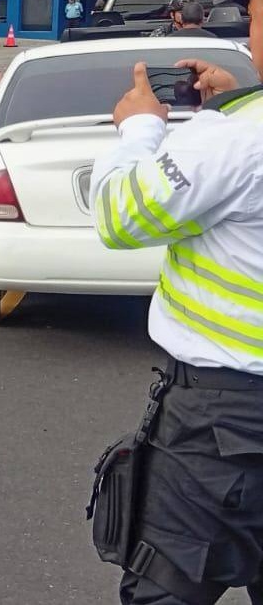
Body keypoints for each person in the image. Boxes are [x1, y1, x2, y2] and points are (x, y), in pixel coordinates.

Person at [89, 58, 263, 604]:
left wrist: (139, 128)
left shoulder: (236, 139)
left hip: (225, 425)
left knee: (165, 591)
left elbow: (120, 216)